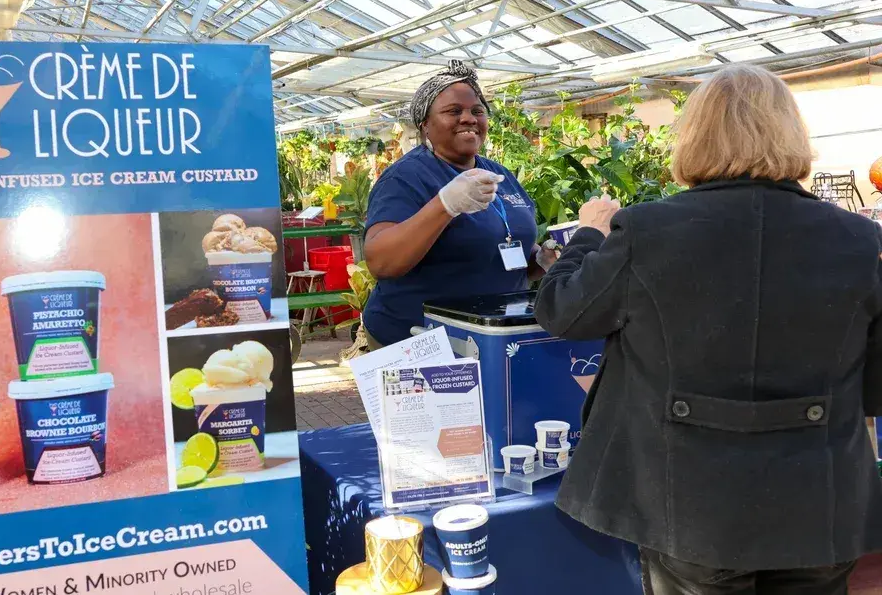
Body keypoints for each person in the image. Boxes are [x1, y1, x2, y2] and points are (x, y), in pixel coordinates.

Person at [534, 64, 882, 595]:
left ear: (693, 136)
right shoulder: (860, 241)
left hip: (688, 506)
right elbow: (875, 388)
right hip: (820, 506)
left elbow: (562, 311)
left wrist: (586, 235)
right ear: (791, 133)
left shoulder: (647, 231)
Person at [362, 61, 556, 348]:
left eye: (477, 111)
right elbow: (381, 262)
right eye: (453, 111)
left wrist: (539, 260)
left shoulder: (498, 174)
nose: (469, 118)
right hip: (417, 338)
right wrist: (445, 205)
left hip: (488, 337)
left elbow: (498, 247)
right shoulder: (405, 178)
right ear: (425, 125)